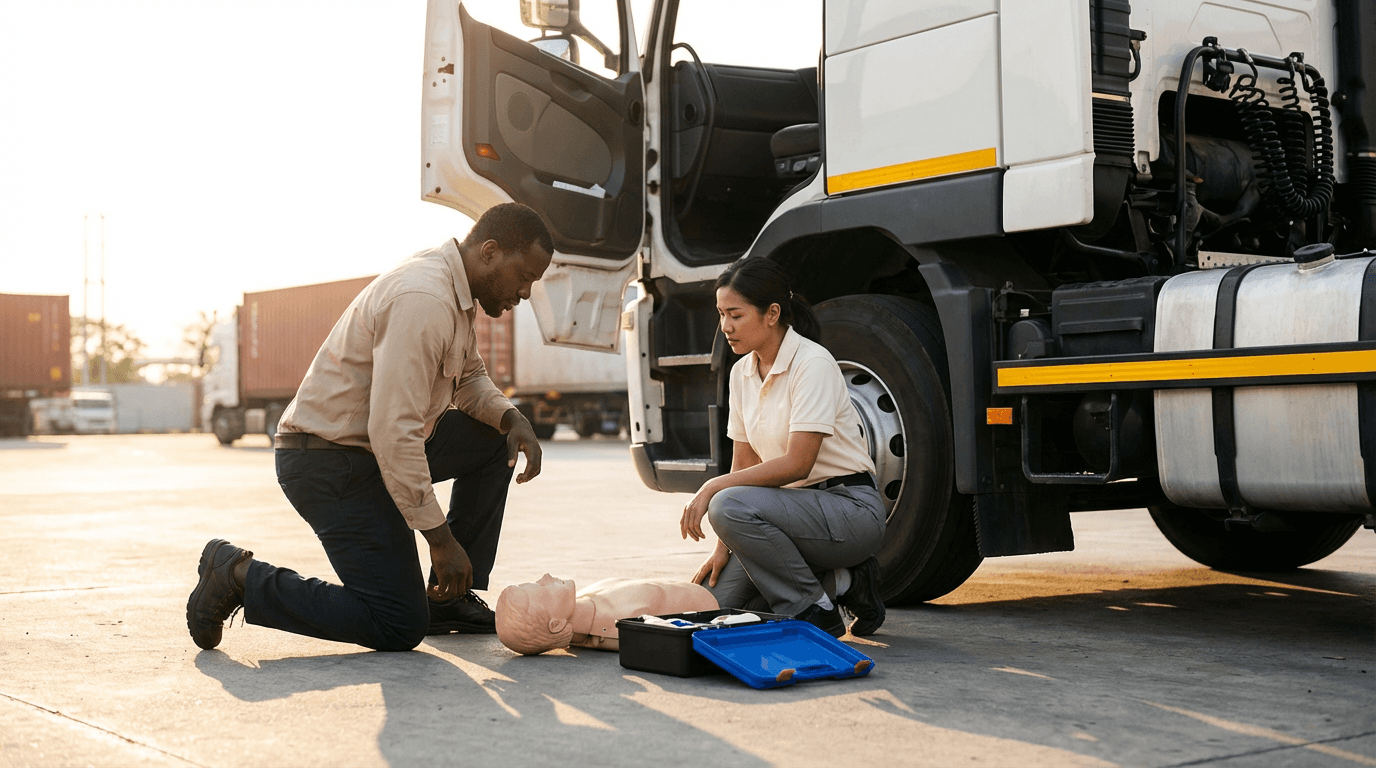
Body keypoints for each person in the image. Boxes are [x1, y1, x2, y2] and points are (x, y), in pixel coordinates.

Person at [186, 202, 553, 652]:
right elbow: (393, 430)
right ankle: (239, 577)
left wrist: (511, 417)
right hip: (328, 462)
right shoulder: (425, 299)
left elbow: (470, 378)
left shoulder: (456, 293)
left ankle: (449, 598)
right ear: (491, 252)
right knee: (397, 623)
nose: (527, 292)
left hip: (368, 452)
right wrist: (439, 538)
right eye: (525, 276)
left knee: (496, 439)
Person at [680, 258, 887, 637]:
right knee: (714, 605)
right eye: (721, 314)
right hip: (785, 516)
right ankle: (848, 584)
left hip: (849, 512)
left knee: (726, 502)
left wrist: (711, 489)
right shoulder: (741, 373)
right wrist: (725, 548)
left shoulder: (813, 363)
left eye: (736, 315)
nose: (725, 326)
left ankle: (814, 610)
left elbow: (798, 464)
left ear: (772, 313)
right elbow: (743, 465)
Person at [494, 574, 718, 655]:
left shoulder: (584, 598)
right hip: (715, 601)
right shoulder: (619, 625)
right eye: (543, 589)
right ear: (556, 624)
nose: (545, 577)